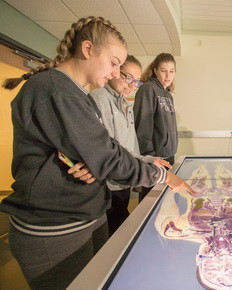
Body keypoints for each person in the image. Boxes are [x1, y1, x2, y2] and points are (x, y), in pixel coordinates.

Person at [0, 16, 193, 289]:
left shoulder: (78, 95)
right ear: (88, 49)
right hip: (54, 227)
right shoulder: (55, 90)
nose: (116, 73)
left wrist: (93, 161)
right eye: (114, 63)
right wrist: (160, 175)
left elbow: (100, 149)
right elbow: (107, 156)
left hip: (87, 214)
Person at [90, 55, 171, 236]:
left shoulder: (125, 103)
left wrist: (146, 160)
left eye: (136, 81)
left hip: (123, 179)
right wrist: (146, 164)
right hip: (107, 183)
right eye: (128, 78)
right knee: (120, 234)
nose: (132, 85)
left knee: (117, 232)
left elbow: (131, 143)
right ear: (115, 71)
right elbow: (109, 148)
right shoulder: (100, 99)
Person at [133, 53, 178, 202]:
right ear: (155, 70)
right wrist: (149, 157)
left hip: (168, 156)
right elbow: (142, 126)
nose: (167, 75)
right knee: (150, 203)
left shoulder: (168, 95)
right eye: (163, 70)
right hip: (155, 158)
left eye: (171, 71)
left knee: (164, 202)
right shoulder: (148, 89)